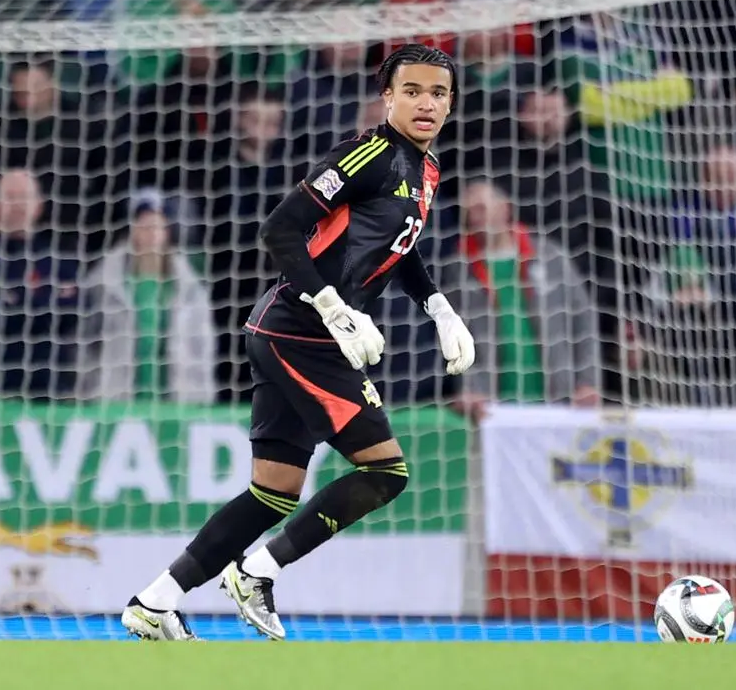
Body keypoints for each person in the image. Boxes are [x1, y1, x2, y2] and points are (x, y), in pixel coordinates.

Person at [121, 44, 477, 641]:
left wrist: (438, 308)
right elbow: (280, 228)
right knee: (387, 472)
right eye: (412, 90)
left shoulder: (426, 168)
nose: (426, 103)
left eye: (438, 93)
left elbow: (401, 247)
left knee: (274, 492)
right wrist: (333, 306)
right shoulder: (368, 155)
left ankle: (154, 603)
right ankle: (257, 571)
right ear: (387, 97)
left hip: (292, 332)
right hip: (301, 331)